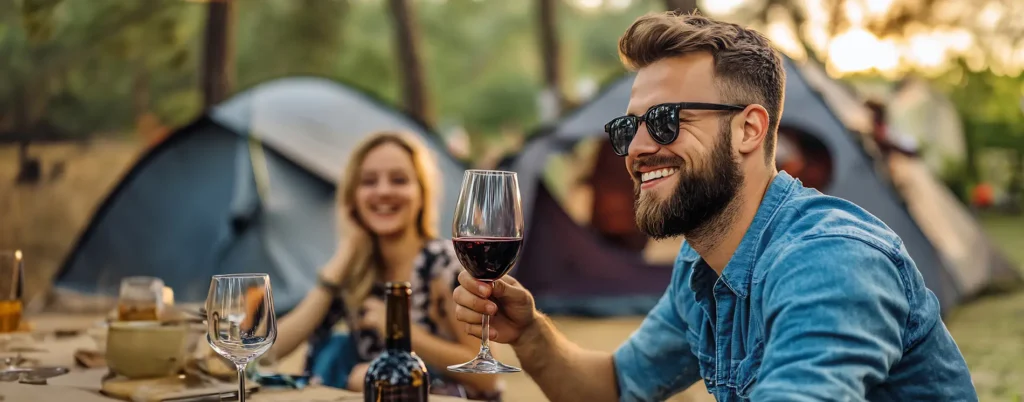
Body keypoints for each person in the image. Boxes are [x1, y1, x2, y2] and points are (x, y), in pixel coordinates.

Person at [451, 12, 977, 402]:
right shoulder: (701, 264)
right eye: (628, 127)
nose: (636, 149)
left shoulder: (829, 261)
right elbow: (614, 387)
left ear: (749, 129)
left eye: (666, 121)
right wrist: (531, 334)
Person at [267, 131, 501, 400]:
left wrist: (401, 331)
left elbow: (487, 377)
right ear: (352, 197)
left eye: (399, 180)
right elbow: (268, 353)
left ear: (422, 192)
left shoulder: (444, 264)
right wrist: (346, 252)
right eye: (369, 181)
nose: (383, 191)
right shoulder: (356, 270)